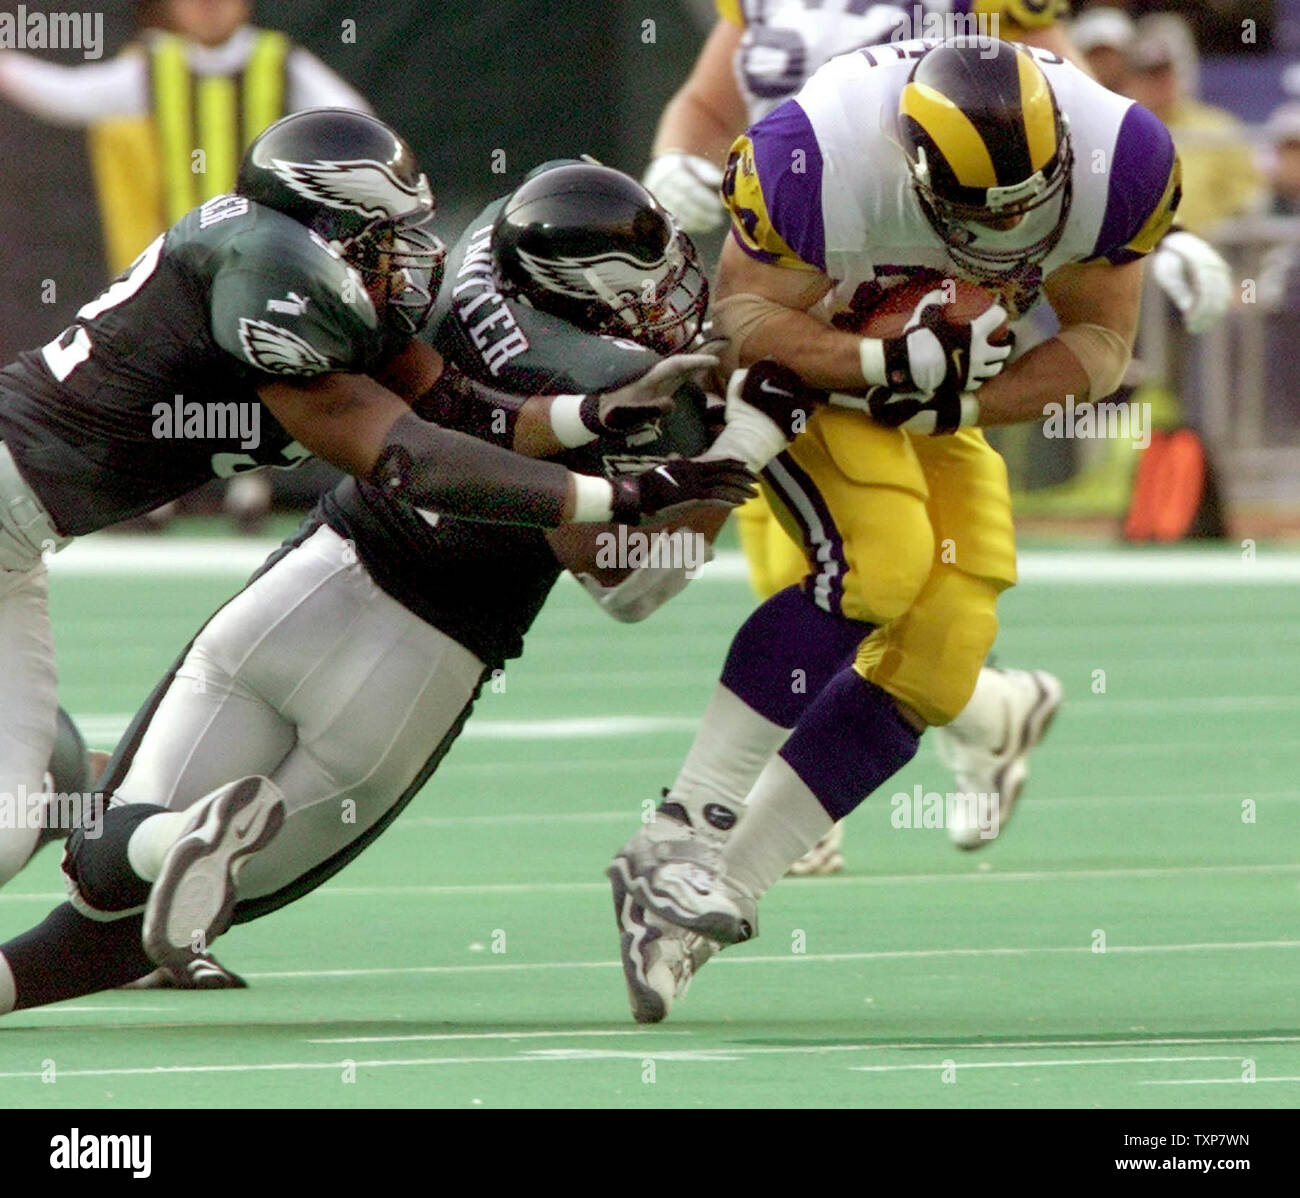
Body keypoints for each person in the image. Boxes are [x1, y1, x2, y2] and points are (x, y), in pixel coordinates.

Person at [0, 161, 763, 1015]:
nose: (412, 257)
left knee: (82, 849)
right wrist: (666, 480)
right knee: (107, 894)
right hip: (420, 655)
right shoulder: (285, 297)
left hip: (294, 580)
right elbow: (458, 479)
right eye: (389, 238)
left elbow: (458, 408)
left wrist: (596, 419)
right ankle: (125, 807)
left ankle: (151, 821)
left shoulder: (388, 283)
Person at [608, 35, 1185, 1022]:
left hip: (931, 389)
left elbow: (1097, 342)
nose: (1004, 232)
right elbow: (741, 321)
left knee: (945, 648)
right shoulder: (819, 156)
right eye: (976, 213)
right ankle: (678, 831)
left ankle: (706, 899)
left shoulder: (1120, 157)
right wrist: (879, 367)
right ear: (912, 166)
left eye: (1026, 205)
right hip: (819, 369)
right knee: (880, 560)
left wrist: (956, 400)